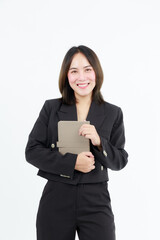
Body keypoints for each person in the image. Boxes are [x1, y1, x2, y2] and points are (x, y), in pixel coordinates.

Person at [25, 45, 128, 240]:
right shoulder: (51, 108)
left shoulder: (113, 112)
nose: (82, 77)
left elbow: (120, 161)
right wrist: (72, 163)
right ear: (66, 76)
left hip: (96, 200)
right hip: (56, 198)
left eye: (87, 69)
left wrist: (99, 143)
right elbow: (32, 151)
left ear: (96, 72)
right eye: (74, 71)